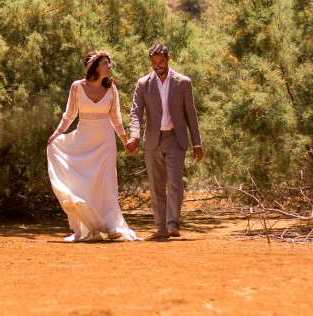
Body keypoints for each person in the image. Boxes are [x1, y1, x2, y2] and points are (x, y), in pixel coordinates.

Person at [47, 51, 140, 242]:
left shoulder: (111, 88)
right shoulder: (77, 87)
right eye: (106, 63)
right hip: (83, 140)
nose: (109, 66)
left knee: (107, 183)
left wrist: (125, 142)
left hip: (105, 141)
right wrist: (57, 134)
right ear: (96, 66)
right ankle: (89, 224)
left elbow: (116, 119)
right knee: (86, 184)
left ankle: (112, 225)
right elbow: (69, 115)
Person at [126, 43, 203, 240]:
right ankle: (160, 227)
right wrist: (134, 135)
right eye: (154, 62)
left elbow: (190, 114)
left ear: (168, 59)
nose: (157, 65)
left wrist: (197, 143)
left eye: (161, 61)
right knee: (156, 185)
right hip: (153, 141)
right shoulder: (143, 84)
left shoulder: (183, 82)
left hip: (175, 140)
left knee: (175, 183)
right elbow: (135, 113)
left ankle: (172, 225)